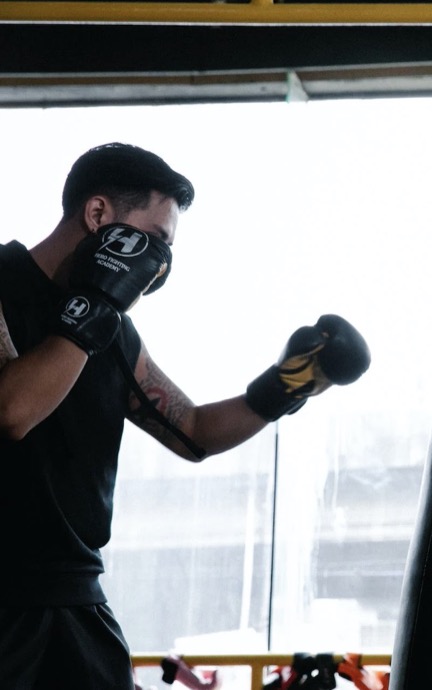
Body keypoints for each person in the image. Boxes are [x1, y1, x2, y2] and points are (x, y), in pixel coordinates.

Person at [0, 142, 370, 689]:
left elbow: (192, 430)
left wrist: (284, 388)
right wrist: (96, 306)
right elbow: (13, 410)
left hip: (78, 603)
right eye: (152, 241)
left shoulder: (115, 334)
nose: (157, 264)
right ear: (98, 215)